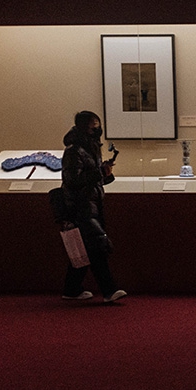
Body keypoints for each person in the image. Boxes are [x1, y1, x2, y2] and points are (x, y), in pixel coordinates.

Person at [59, 110, 127, 303]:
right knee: (96, 248)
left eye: (98, 127)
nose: (97, 132)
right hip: (80, 206)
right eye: (93, 128)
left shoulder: (88, 148)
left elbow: (88, 180)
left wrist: (104, 173)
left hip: (90, 204)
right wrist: (100, 172)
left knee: (85, 249)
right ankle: (109, 290)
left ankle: (72, 289)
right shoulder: (74, 150)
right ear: (83, 128)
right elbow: (73, 180)